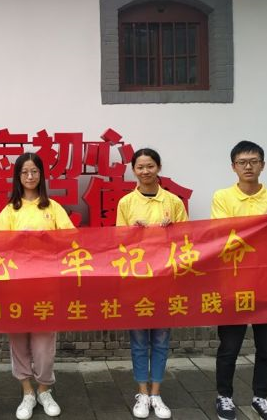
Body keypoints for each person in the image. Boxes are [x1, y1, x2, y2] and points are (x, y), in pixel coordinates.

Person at [211, 140, 267, 420]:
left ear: (262, 165)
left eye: (253, 161)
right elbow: (224, 236)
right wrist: (264, 223)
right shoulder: (222, 197)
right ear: (233, 167)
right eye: (242, 162)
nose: (248, 167)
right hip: (233, 282)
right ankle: (224, 396)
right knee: (229, 347)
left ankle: (261, 397)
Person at [0, 152, 74, 420]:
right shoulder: (10, 210)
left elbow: (71, 239)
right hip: (15, 286)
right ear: (18, 176)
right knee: (18, 341)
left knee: (44, 344)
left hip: (47, 285)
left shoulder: (53, 208)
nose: (30, 176)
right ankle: (27, 391)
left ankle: (44, 389)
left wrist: (47, 239)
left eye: (35, 171)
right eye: (25, 172)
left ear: (41, 175)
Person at [115, 148, 187, 420]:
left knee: (160, 339)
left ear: (158, 168)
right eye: (140, 167)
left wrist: (173, 230)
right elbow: (117, 243)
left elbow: (187, 241)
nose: (145, 171)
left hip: (165, 281)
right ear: (133, 170)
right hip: (137, 281)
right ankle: (142, 393)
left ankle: (156, 393)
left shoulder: (173, 202)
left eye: (150, 166)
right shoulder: (126, 203)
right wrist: (131, 232)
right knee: (138, 341)